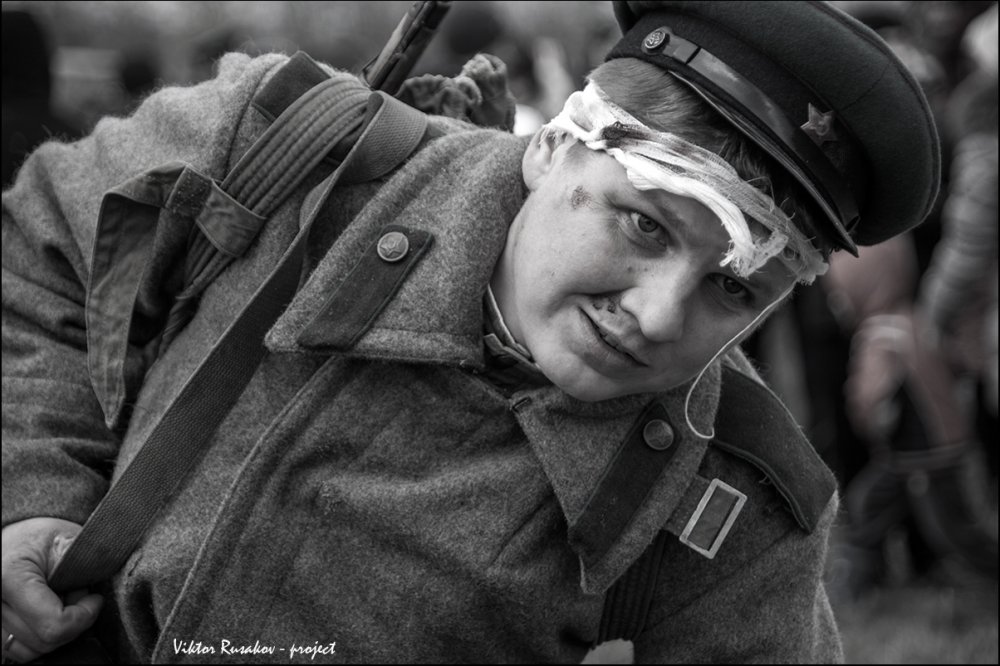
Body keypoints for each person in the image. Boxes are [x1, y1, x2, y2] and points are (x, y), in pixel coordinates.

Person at [1, 2, 940, 663]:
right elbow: (34, 250)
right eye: (645, 226)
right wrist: (32, 493)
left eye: (733, 290)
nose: (657, 317)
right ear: (553, 146)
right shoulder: (280, 142)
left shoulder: (735, 491)